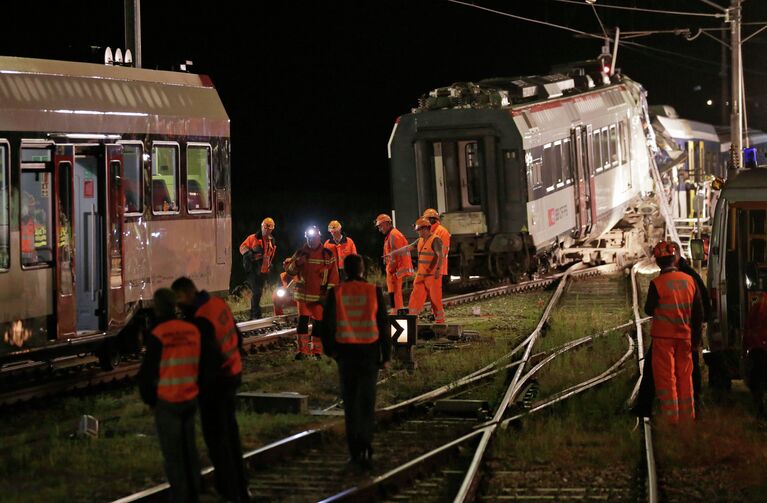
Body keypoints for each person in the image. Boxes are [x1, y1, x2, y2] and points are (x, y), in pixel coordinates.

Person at [171, 277, 250, 503]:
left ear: (187, 294)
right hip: (232, 375)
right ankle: (241, 486)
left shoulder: (201, 318)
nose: (178, 305)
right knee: (231, 434)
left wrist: (198, 388)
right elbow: (237, 337)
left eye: (179, 299)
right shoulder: (217, 304)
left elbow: (206, 358)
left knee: (217, 439)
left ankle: (228, 490)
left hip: (216, 384)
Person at [321, 254, 391, 469]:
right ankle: (366, 446)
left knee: (350, 404)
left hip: (346, 354)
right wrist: (386, 356)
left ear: (345, 270)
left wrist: (331, 351)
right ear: (362, 270)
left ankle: (354, 452)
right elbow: (383, 325)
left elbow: (328, 324)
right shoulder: (374, 291)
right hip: (369, 353)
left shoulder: (337, 292)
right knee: (367, 403)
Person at [137, 289, 204, 503]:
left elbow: (147, 373)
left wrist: (150, 400)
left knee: (174, 456)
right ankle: (194, 494)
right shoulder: (191, 330)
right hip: (190, 399)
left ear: (157, 308)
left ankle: (180, 498)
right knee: (190, 451)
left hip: (168, 402)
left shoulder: (158, 334)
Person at [633, 243, 712, 417]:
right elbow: (699, 312)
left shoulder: (658, 283)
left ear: (659, 262)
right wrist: (696, 340)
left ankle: (671, 419)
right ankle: (688, 416)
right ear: (674, 258)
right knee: (685, 378)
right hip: (685, 338)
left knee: (666, 379)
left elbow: (648, 309)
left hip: (663, 340)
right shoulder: (690, 280)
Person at [285, 225, 339, 359]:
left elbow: (334, 277)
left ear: (318, 237)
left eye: (313, 237)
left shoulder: (327, 254)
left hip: (319, 297)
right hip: (303, 296)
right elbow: (290, 271)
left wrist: (328, 295)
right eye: (308, 238)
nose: (310, 240)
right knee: (302, 323)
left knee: (318, 324)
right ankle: (303, 351)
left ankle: (316, 351)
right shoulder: (300, 253)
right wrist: (297, 263)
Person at [389, 218, 444, 323]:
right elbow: (407, 248)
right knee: (414, 299)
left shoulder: (435, 240)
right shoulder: (420, 240)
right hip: (421, 276)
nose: (417, 232)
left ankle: (440, 322)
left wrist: (437, 269)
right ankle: (412, 321)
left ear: (425, 229)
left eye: (418, 230)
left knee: (435, 300)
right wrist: (393, 253)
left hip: (432, 277)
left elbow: (440, 254)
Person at [374, 213, 414, 314]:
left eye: (381, 226)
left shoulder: (394, 235)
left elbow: (396, 255)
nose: (380, 229)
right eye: (378, 227)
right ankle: (395, 311)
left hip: (395, 270)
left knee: (395, 293)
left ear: (387, 224)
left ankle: (397, 312)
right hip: (393, 270)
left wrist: (391, 269)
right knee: (393, 292)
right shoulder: (390, 235)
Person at [239, 217, 277, 319]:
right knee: (257, 291)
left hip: (264, 270)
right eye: (266, 228)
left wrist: (270, 264)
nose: (267, 230)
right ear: (262, 227)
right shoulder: (253, 238)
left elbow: (271, 254)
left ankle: (252, 314)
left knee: (258, 293)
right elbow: (242, 247)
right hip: (253, 269)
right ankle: (257, 314)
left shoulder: (271, 240)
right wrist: (249, 254)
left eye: (270, 229)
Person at [423, 208, 451, 285]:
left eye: (427, 219)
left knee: (434, 292)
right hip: (429, 267)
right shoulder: (429, 231)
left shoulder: (442, 232)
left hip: (436, 268)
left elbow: (442, 252)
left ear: (432, 220)